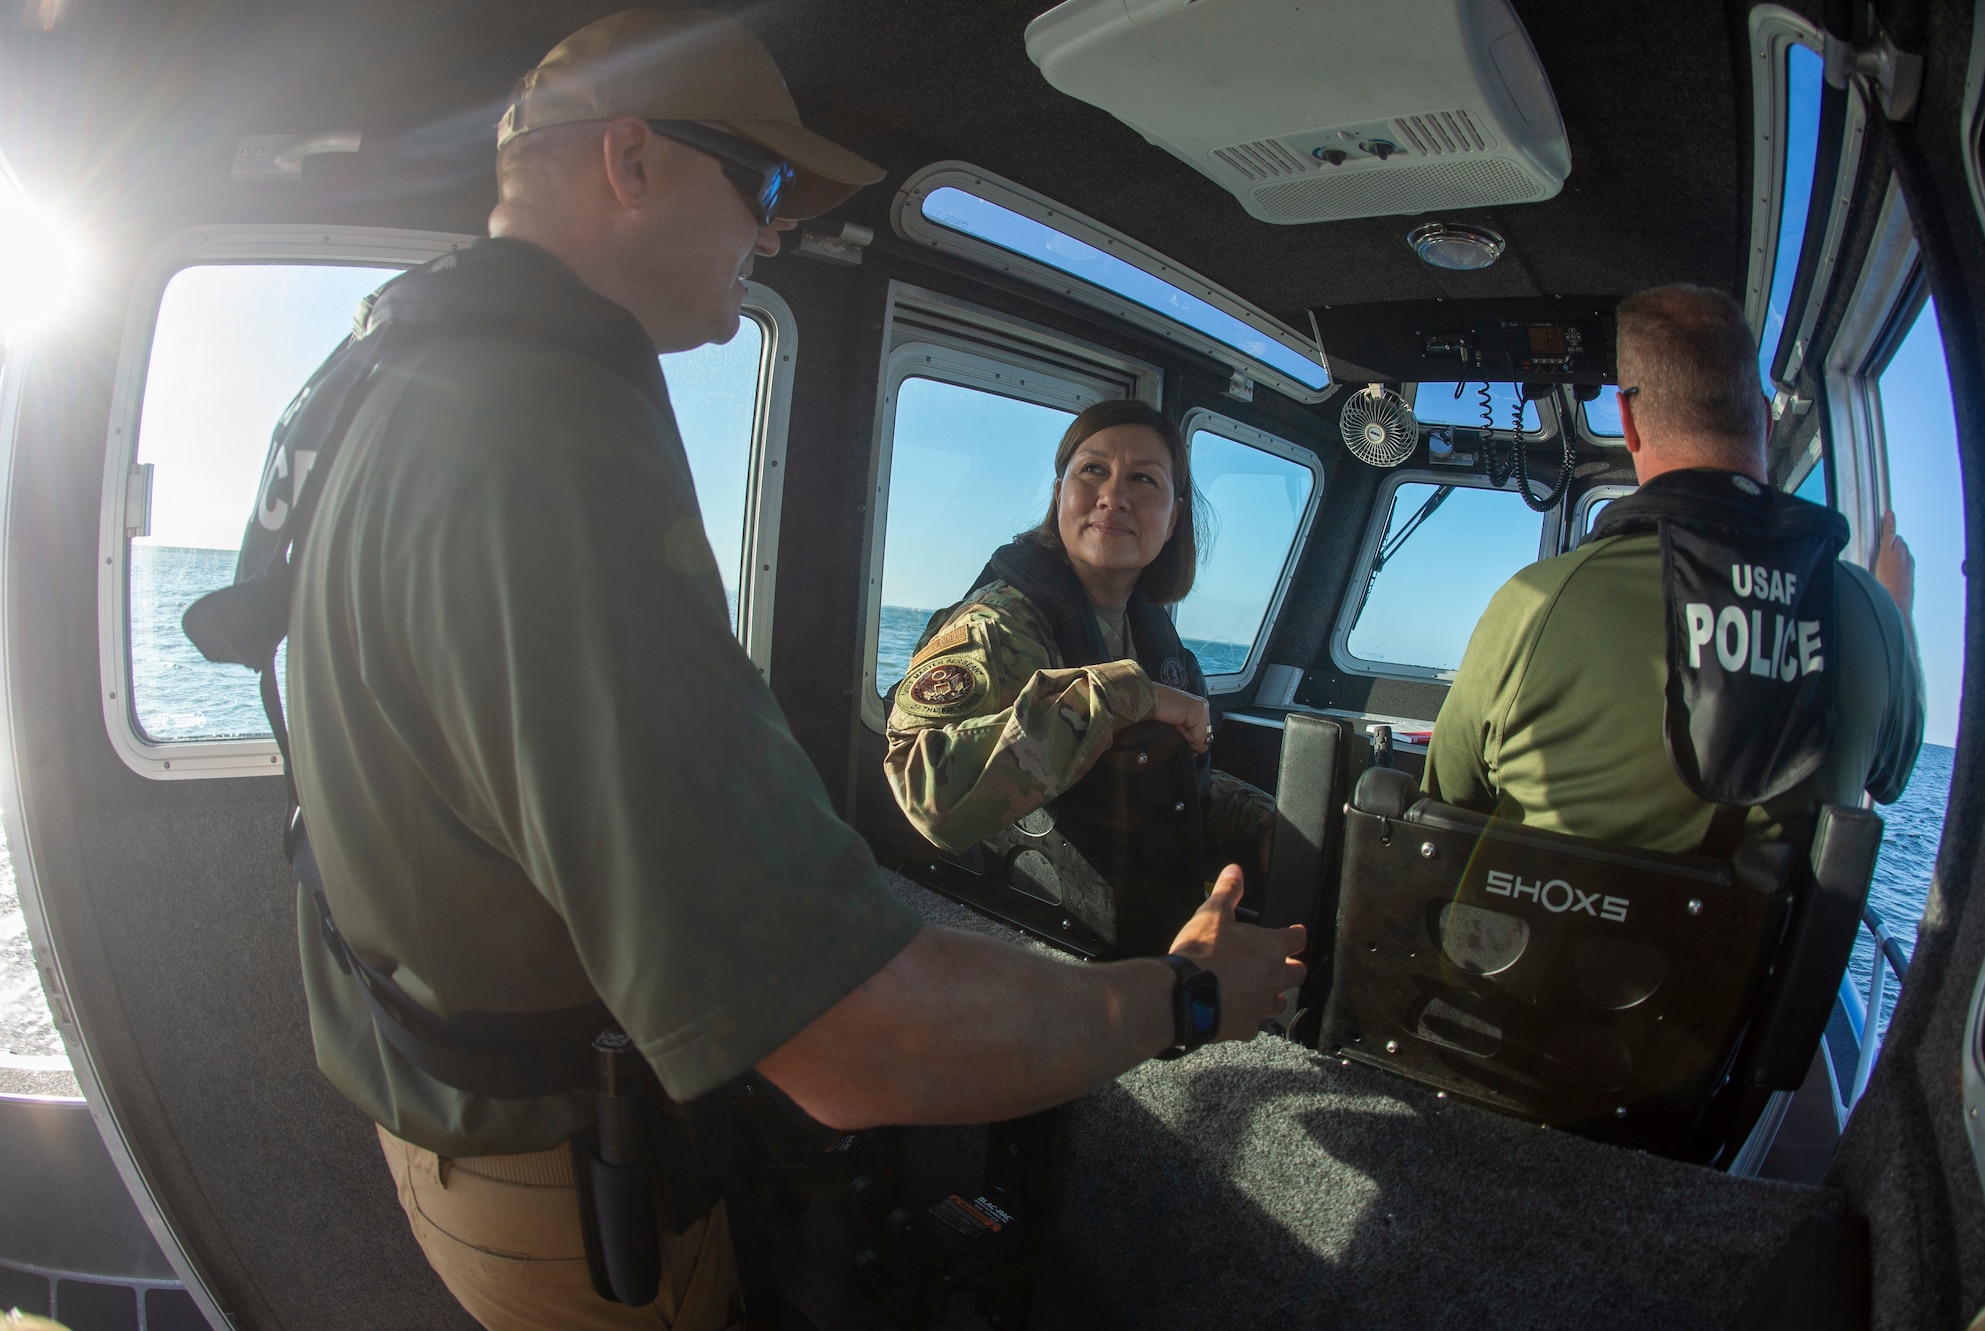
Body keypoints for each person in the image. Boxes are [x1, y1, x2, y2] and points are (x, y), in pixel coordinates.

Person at [277, 10, 1306, 1331]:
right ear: (632, 161)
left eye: (1148, 481)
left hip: (464, 1098)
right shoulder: (544, 452)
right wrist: (1196, 993)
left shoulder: (412, 375)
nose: (776, 232)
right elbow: (849, 1030)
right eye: (762, 187)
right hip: (558, 1168)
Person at [1422, 283, 1924, 851]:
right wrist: (1896, 612)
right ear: (1762, 419)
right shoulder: (1868, 614)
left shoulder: (1531, 608)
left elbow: (1443, 813)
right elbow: (1894, 773)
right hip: (1766, 944)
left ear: (1629, 421)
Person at [884, 400, 1275, 875]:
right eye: (1092, 470)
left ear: (1173, 519)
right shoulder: (998, 625)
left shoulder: (1149, 634)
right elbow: (927, 799)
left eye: (1143, 479)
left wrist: (1273, 828)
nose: (1113, 496)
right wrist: (1126, 697)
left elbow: (1178, 783)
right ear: (1059, 495)